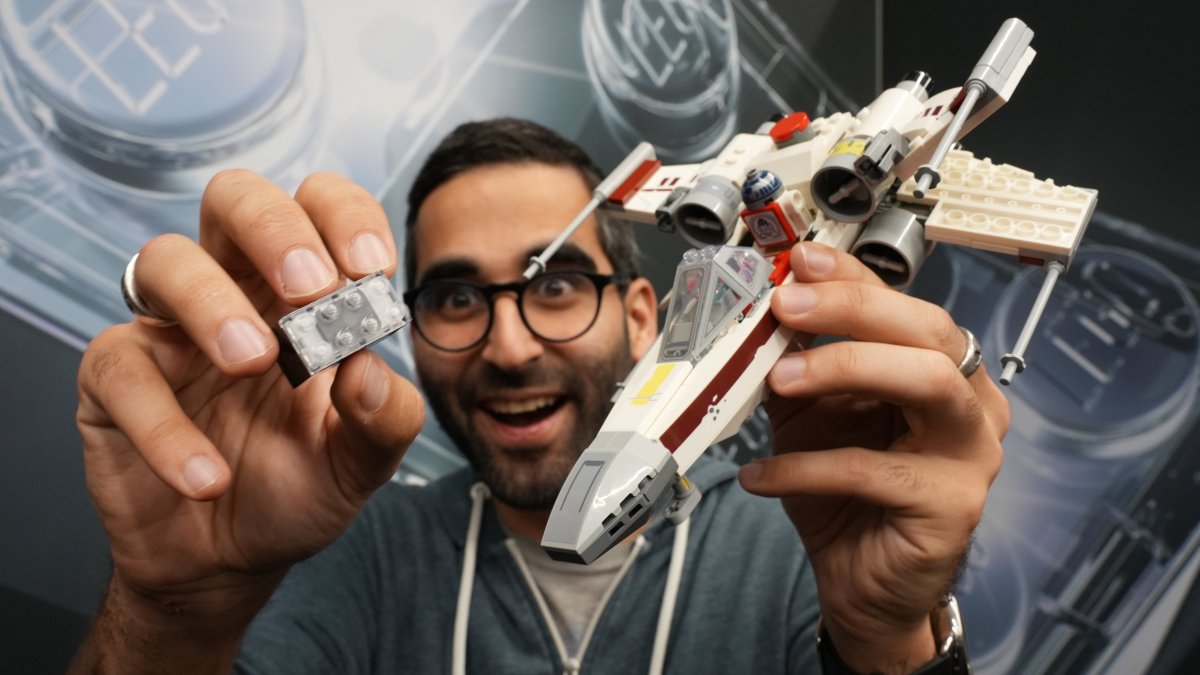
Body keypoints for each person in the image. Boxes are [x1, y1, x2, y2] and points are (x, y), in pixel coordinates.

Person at [69, 118, 1007, 674]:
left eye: (554, 284)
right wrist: (172, 611)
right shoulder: (349, 555)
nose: (510, 347)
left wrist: (888, 642)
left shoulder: (805, 539)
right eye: (456, 298)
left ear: (643, 315)